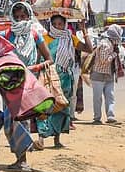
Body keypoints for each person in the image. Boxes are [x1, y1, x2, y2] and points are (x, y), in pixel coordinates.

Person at [1, 2, 53, 172]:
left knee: (22, 119)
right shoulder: (8, 34)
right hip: (10, 83)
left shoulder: (35, 34)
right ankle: (18, 157)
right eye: (16, 17)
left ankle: (23, 160)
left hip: (29, 83)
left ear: (29, 16)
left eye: (23, 16)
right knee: (9, 122)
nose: (20, 20)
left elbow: (49, 58)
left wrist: (35, 67)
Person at [37, 15, 93, 146]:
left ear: (65, 24)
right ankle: (41, 138)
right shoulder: (44, 38)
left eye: (60, 24)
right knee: (44, 106)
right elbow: (39, 57)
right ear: (50, 25)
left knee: (61, 107)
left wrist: (84, 32)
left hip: (65, 78)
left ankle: (57, 139)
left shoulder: (69, 38)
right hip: (48, 77)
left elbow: (89, 49)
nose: (57, 27)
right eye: (55, 24)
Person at [90, 23, 123, 124]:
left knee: (110, 96)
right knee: (98, 98)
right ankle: (97, 118)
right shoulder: (105, 44)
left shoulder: (113, 44)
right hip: (98, 74)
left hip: (108, 74)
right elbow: (104, 60)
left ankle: (110, 116)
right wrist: (114, 54)